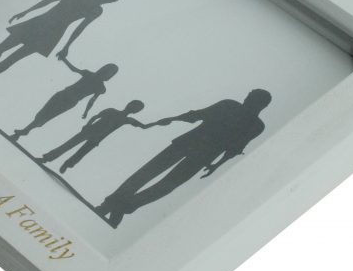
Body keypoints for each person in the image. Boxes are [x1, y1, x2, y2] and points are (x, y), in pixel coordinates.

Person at [95, 89, 272, 227]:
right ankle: (112, 205)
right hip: (192, 149)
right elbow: (199, 116)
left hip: (197, 153)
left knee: (161, 183)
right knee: (150, 176)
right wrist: (174, 118)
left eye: (251, 97)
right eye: (249, 96)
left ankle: (120, 205)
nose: (247, 98)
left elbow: (233, 147)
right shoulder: (237, 111)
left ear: (260, 104)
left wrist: (217, 165)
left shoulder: (249, 120)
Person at [0, 0, 124, 98]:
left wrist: (67, 46)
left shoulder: (92, 7)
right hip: (43, 27)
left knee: (8, 57)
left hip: (49, 31)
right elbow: (49, 1)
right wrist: (26, 11)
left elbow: (78, 28)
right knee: (4, 50)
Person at [10, 58, 119, 142]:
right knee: (43, 113)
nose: (108, 74)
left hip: (70, 101)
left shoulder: (101, 88)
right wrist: (64, 59)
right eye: (108, 71)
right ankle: (25, 130)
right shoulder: (88, 74)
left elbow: (92, 100)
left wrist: (86, 111)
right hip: (62, 94)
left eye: (111, 73)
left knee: (47, 116)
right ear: (104, 69)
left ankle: (25, 130)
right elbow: (74, 69)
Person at [40, 100, 148, 174]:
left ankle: (67, 164)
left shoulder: (127, 120)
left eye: (136, 108)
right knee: (68, 145)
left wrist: (156, 123)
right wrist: (87, 126)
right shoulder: (112, 110)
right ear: (128, 104)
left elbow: (144, 126)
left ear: (136, 112)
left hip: (97, 138)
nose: (133, 108)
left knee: (80, 154)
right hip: (89, 131)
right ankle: (46, 158)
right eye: (133, 105)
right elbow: (95, 117)